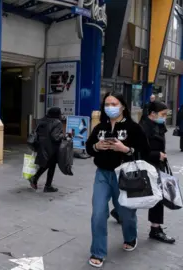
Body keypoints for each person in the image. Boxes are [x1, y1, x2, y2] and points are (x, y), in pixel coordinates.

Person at [85, 92, 150, 268]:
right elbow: (89, 148)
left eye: (114, 104)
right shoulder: (100, 127)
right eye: (107, 104)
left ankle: (130, 236)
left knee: (126, 213)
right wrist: (97, 146)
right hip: (103, 175)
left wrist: (126, 149)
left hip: (126, 175)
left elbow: (144, 151)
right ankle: (98, 252)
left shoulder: (133, 127)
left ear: (122, 106)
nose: (110, 107)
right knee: (98, 213)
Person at [139, 101, 176, 244]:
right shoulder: (143, 128)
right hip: (147, 166)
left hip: (157, 165)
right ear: (152, 114)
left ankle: (155, 227)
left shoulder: (158, 125)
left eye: (166, 115)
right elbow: (140, 151)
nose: (165, 117)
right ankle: (155, 229)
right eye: (163, 114)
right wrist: (157, 155)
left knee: (155, 195)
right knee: (150, 195)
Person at [30, 107, 64, 193]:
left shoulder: (42, 120)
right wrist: (62, 136)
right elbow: (55, 136)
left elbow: (36, 132)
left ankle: (37, 179)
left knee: (47, 164)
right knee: (51, 165)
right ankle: (47, 185)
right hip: (52, 148)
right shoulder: (57, 122)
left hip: (41, 146)